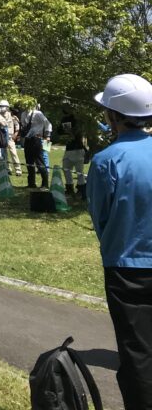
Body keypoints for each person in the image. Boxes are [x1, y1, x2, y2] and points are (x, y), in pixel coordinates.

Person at [87, 73, 152, 410]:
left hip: (126, 266)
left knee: (137, 352)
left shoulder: (106, 160)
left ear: (113, 116)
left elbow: (101, 217)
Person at [20, 103, 52, 189]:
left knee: (39, 162)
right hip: (28, 139)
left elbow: (48, 124)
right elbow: (23, 126)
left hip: (37, 139)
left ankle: (45, 184)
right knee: (29, 162)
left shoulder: (38, 113)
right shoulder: (23, 114)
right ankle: (31, 183)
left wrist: (47, 136)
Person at [60, 109, 88, 198]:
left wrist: (71, 132)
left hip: (78, 149)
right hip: (69, 149)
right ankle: (69, 188)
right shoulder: (64, 120)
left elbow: (78, 133)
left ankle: (81, 190)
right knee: (66, 169)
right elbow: (59, 131)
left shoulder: (78, 121)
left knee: (79, 172)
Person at [0, 101, 24, 176]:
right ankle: (7, 169)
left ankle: (18, 170)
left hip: (10, 137)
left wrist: (15, 134)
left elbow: (17, 126)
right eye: (0, 106)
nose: (2, 108)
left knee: (13, 153)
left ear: (7, 107)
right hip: (2, 137)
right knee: (4, 154)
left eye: (3, 106)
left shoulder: (12, 116)